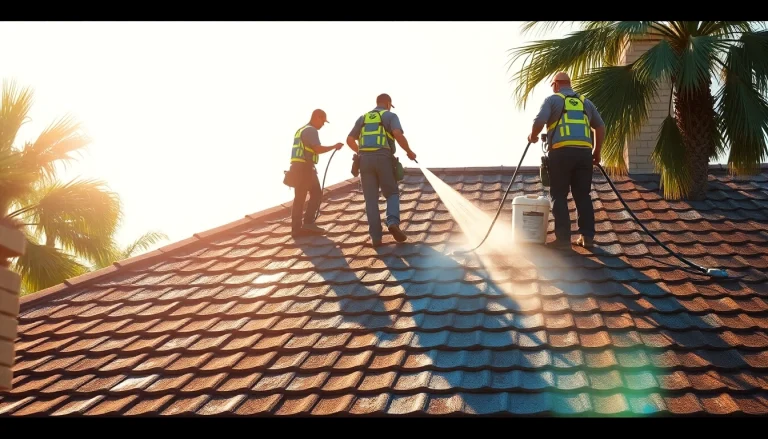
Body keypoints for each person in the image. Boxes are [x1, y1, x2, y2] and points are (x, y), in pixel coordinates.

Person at [527, 72, 605, 250]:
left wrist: (532, 137)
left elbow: (539, 120)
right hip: (584, 155)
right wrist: (597, 151)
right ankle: (587, 237)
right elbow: (600, 126)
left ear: (556, 84)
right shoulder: (586, 102)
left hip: (561, 153)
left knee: (558, 195)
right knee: (582, 195)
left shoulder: (552, 100)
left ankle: (563, 240)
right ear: (569, 84)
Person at [346, 93, 417, 247]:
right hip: (383, 158)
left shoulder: (363, 118)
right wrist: (409, 152)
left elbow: (349, 140)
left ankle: (376, 238)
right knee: (391, 193)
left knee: (370, 199)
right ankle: (392, 222)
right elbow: (397, 134)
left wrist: (361, 152)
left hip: (364, 161)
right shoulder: (390, 116)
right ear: (388, 103)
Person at [289, 109, 343, 237]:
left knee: (299, 198)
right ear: (317, 117)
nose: (323, 125)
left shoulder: (301, 129)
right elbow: (316, 149)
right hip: (305, 168)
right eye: (322, 121)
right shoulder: (311, 130)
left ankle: (296, 229)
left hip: (297, 168)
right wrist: (334, 147)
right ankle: (308, 223)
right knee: (316, 193)